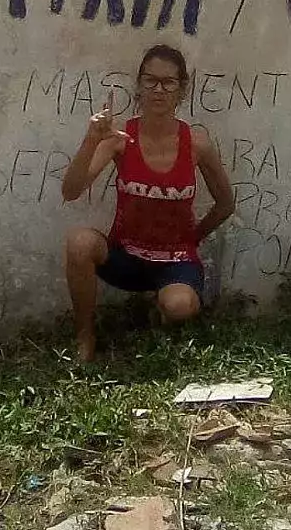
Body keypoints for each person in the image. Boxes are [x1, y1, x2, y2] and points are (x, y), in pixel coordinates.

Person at [61, 44, 235, 362]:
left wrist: (192, 240)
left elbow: (225, 203)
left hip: (176, 262)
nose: (158, 90)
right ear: (139, 85)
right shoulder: (119, 138)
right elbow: (71, 190)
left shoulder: (196, 143)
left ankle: (162, 311)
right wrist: (91, 139)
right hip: (125, 258)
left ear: (181, 89)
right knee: (79, 243)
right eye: (150, 80)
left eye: (168, 82)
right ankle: (85, 335)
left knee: (180, 306)